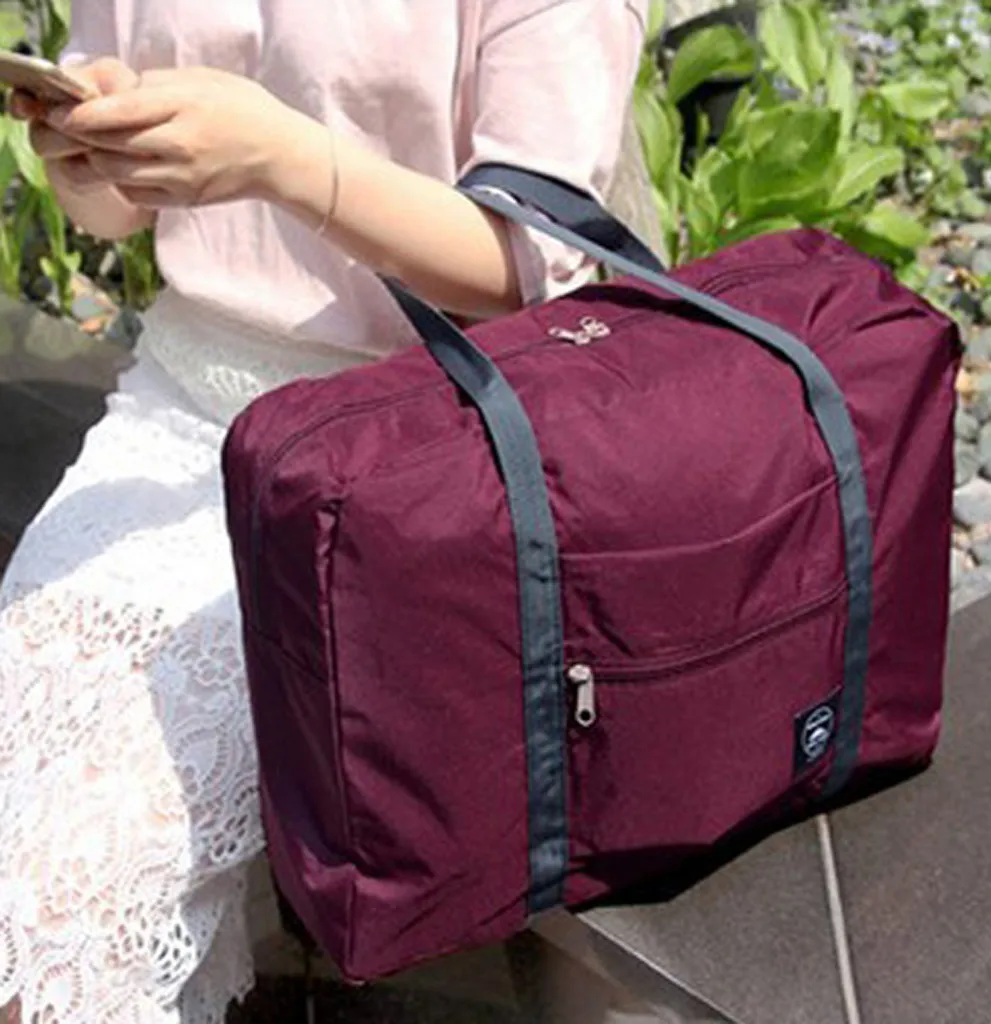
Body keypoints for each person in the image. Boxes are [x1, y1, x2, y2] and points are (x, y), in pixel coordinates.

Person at [0, 1, 648, 1021]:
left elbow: (527, 261)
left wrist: (283, 160)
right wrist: (88, 155)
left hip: (408, 461)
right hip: (177, 411)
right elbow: (116, 213)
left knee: (66, 912)